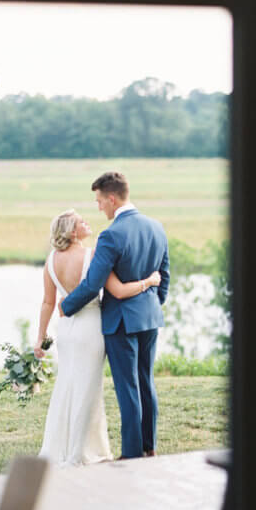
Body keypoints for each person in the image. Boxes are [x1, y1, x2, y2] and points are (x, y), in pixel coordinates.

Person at [35, 208, 161, 467]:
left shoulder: (50, 261)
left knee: (67, 385)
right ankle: (82, 451)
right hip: (91, 327)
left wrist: (40, 337)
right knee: (89, 390)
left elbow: (48, 303)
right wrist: (149, 281)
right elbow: (119, 291)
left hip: (66, 331)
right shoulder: (93, 256)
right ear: (72, 231)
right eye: (81, 222)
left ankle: (58, 447)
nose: (86, 222)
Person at [60, 172, 170, 459]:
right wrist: (151, 304)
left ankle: (132, 453)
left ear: (111, 198)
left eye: (99, 201)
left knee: (128, 387)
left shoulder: (111, 235)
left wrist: (67, 306)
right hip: (149, 318)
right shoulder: (156, 227)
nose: (99, 208)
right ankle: (149, 447)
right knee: (146, 381)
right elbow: (165, 277)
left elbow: (94, 282)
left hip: (121, 321)